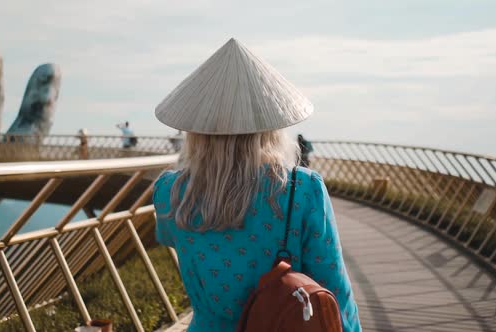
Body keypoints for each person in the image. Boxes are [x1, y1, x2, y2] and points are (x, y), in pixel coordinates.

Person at [152, 38, 361, 331]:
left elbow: (168, 237)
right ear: (271, 126)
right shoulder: (302, 189)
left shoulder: (168, 191)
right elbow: (334, 288)